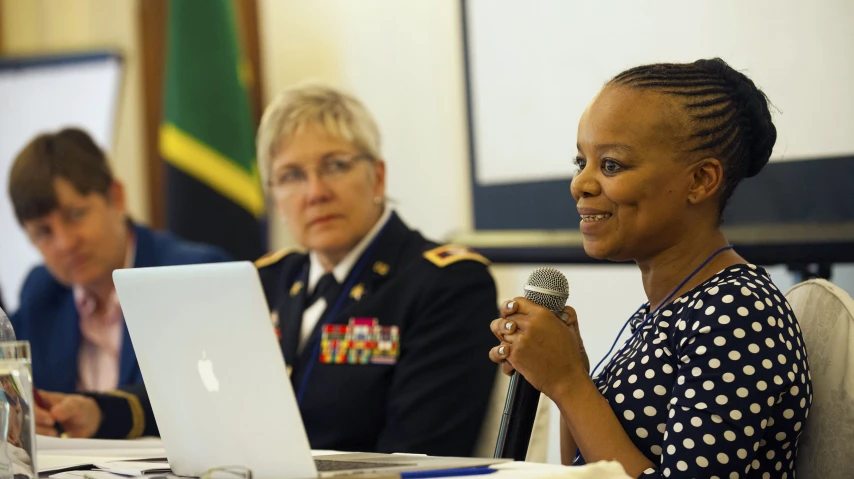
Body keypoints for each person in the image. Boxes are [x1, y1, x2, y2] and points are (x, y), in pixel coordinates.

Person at [490, 58, 811, 478]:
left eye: (611, 165)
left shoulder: (738, 313)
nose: (580, 184)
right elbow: (585, 467)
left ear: (700, 180)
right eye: (580, 162)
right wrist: (567, 373)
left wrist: (569, 381)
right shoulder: (664, 311)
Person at [7, 128, 231, 438]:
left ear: (117, 197)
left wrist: (101, 413)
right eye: (44, 233)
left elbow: (206, 402)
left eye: (75, 215)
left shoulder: (191, 274)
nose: (65, 242)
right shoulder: (42, 292)